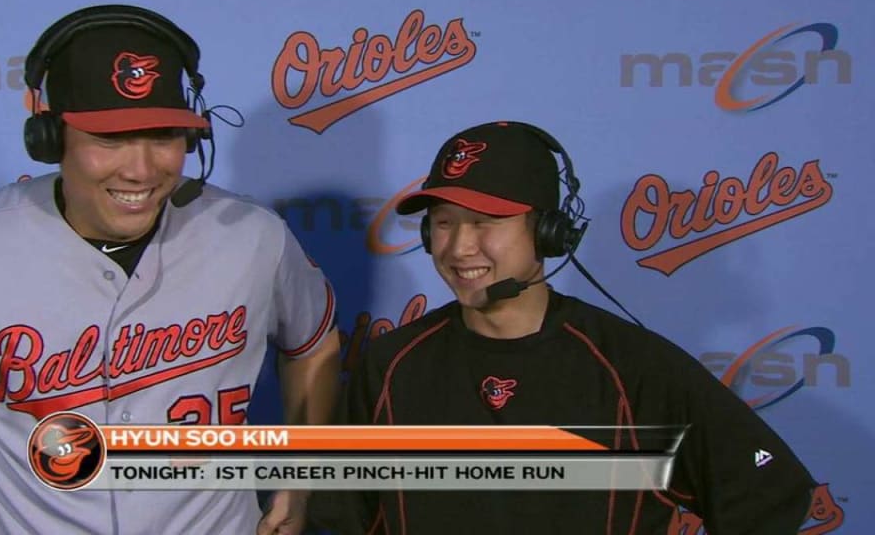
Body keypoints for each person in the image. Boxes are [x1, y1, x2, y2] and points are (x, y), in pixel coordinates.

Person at [0, 4, 340, 535]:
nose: (141, 169)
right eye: (110, 139)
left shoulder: (252, 236)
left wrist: (301, 474)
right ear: (51, 138)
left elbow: (313, 342)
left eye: (163, 136)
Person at [310, 121, 816, 534]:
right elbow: (344, 512)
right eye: (444, 222)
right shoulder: (392, 365)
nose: (460, 247)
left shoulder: (632, 366)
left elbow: (769, 493)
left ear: (549, 232)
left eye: (486, 222)